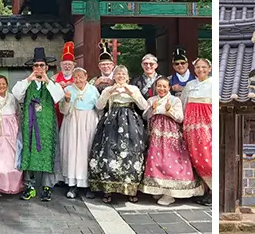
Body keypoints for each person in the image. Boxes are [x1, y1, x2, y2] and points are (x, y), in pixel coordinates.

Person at [88, 65, 149, 204]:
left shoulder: (133, 88)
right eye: (118, 74)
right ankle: (108, 188)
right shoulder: (108, 89)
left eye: (123, 74)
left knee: (131, 153)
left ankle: (131, 189)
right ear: (114, 77)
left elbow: (144, 106)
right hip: (111, 123)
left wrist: (131, 93)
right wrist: (108, 93)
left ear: (127, 77)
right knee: (109, 152)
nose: (120, 76)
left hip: (130, 122)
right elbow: (99, 106)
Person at [12, 47, 64, 202]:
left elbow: (58, 97)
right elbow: (16, 93)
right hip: (30, 124)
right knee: (29, 153)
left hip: (47, 126)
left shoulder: (52, 83)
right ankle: (30, 186)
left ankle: (47, 187)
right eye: (36, 66)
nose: (39, 68)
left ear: (47, 68)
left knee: (48, 153)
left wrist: (46, 80)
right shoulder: (26, 83)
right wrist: (30, 78)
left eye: (42, 66)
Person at [141, 77, 203, 206]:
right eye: (159, 86)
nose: (161, 89)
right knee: (155, 160)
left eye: (164, 86)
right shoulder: (152, 100)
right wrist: (152, 109)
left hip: (171, 135)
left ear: (169, 88)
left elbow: (180, 118)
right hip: (155, 135)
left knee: (170, 161)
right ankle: (158, 188)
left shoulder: (175, 100)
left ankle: (170, 193)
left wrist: (169, 111)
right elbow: (145, 117)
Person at [58, 67, 99, 199]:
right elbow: (63, 110)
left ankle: (88, 185)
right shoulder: (68, 90)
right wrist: (67, 101)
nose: (78, 79)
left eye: (81, 76)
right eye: (75, 77)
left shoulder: (93, 90)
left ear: (86, 76)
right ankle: (72, 184)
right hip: (72, 122)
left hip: (89, 122)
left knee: (87, 151)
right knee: (73, 151)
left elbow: (99, 108)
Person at [181, 58, 213, 206]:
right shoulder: (190, 85)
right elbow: (183, 104)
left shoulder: (213, 84)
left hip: (206, 127)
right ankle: (203, 190)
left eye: (204, 67)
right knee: (194, 157)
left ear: (210, 68)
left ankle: (213, 191)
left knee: (206, 158)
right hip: (190, 127)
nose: (201, 70)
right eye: (198, 67)